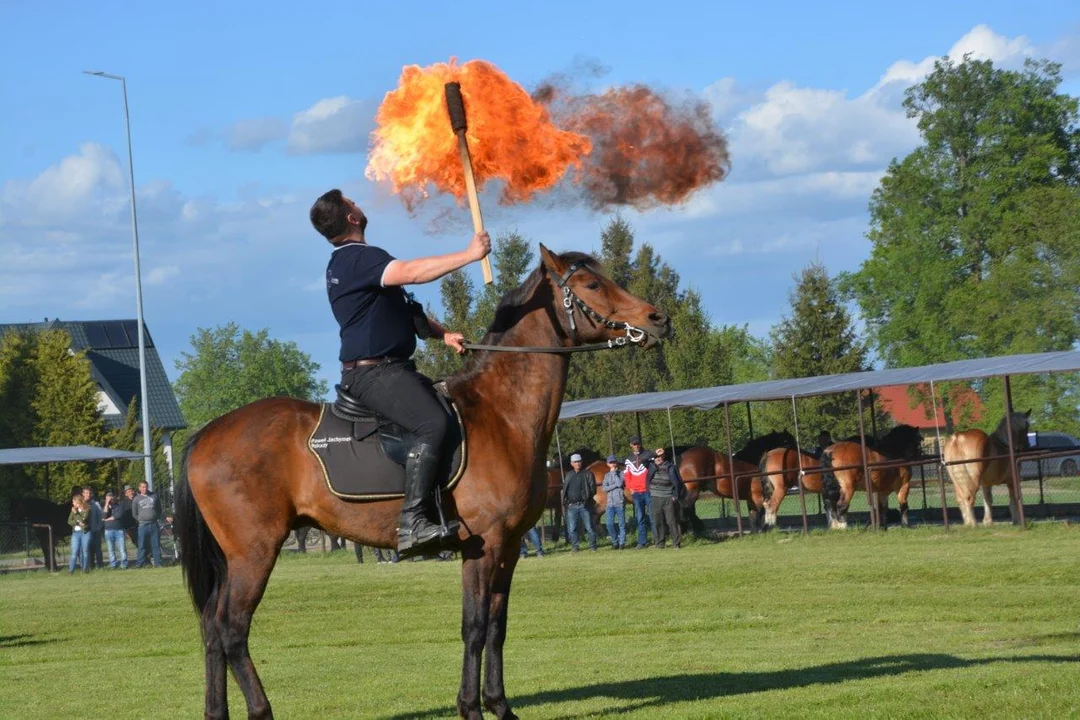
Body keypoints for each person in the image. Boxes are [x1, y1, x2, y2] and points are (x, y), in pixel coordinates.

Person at [310, 189, 490, 557]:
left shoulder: (356, 263)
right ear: (351, 218)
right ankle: (413, 523)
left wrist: (443, 335)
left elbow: (407, 309)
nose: (360, 203)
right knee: (433, 425)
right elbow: (413, 273)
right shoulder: (358, 258)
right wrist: (470, 255)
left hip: (388, 369)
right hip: (375, 373)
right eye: (353, 201)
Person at [649, 447, 684, 549]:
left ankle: (676, 543)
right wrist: (654, 453)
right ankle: (660, 543)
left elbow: (677, 483)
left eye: (660, 457)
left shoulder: (671, 467)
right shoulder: (651, 466)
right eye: (656, 457)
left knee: (671, 521)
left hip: (668, 497)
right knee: (658, 521)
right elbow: (643, 460)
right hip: (655, 497)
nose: (658, 458)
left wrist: (675, 495)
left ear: (664, 457)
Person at [561, 454, 598, 552]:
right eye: (576, 462)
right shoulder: (569, 475)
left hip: (584, 505)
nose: (578, 463)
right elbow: (565, 490)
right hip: (572, 506)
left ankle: (592, 546)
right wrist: (567, 502)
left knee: (589, 527)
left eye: (579, 461)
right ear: (572, 463)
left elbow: (593, 490)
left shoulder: (588, 474)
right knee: (572, 529)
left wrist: (586, 499)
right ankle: (575, 547)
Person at [624, 436, 653, 548]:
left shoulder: (648, 455)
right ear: (631, 445)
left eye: (637, 444)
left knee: (652, 516)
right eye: (634, 444)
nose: (636, 446)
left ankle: (658, 539)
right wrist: (630, 488)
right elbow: (627, 475)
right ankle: (642, 542)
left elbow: (653, 468)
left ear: (640, 444)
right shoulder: (628, 459)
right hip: (636, 493)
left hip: (647, 490)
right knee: (640, 518)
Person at [131, 481, 162, 568]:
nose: (145, 489)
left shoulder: (154, 496)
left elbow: (159, 508)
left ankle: (158, 563)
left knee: (156, 544)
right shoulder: (136, 499)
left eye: (146, 487)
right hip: (143, 525)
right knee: (142, 545)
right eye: (143, 487)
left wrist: (155, 517)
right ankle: (140, 563)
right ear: (139, 488)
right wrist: (141, 519)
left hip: (154, 524)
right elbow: (134, 513)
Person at [601, 455, 627, 549]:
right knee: (609, 524)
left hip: (619, 502)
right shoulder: (606, 475)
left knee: (621, 524)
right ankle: (614, 541)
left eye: (614, 462)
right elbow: (604, 488)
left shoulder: (621, 473)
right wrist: (614, 486)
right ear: (608, 464)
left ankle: (622, 543)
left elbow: (620, 483)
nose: (612, 464)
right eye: (611, 462)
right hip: (609, 504)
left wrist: (614, 474)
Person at [101, 490, 129, 569]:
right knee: (110, 549)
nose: (110, 500)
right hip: (108, 530)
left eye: (111, 498)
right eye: (108, 498)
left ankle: (124, 564)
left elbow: (118, 515)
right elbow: (104, 516)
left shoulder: (120, 505)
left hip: (119, 530)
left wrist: (107, 520)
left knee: (122, 549)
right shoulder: (105, 506)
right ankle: (113, 564)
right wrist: (107, 503)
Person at [68, 495, 91, 574]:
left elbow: (84, 520)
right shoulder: (73, 510)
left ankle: (85, 569)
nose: (73, 503)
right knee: (74, 551)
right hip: (76, 533)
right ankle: (71, 570)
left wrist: (77, 514)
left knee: (85, 551)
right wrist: (77, 522)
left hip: (85, 532)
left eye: (74, 502)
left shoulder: (87, 509)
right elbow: (69, 521)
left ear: (78, 502)